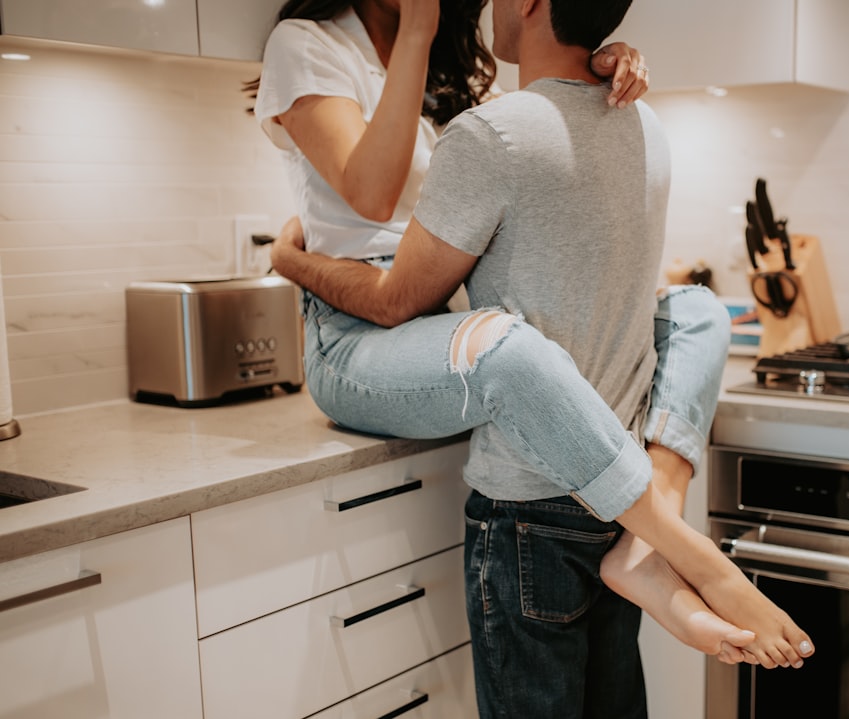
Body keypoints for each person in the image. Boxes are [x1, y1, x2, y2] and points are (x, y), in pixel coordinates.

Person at [265, 0, 815, 714]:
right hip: (357, 332)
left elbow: (517, 141)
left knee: (699, 310)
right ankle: (684, 549)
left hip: (434, 319)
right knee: (506, 348)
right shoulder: (307, 45)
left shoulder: (468, 80)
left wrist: (593, 63)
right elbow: (381, 227)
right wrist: (289, 262)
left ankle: (648, 544)